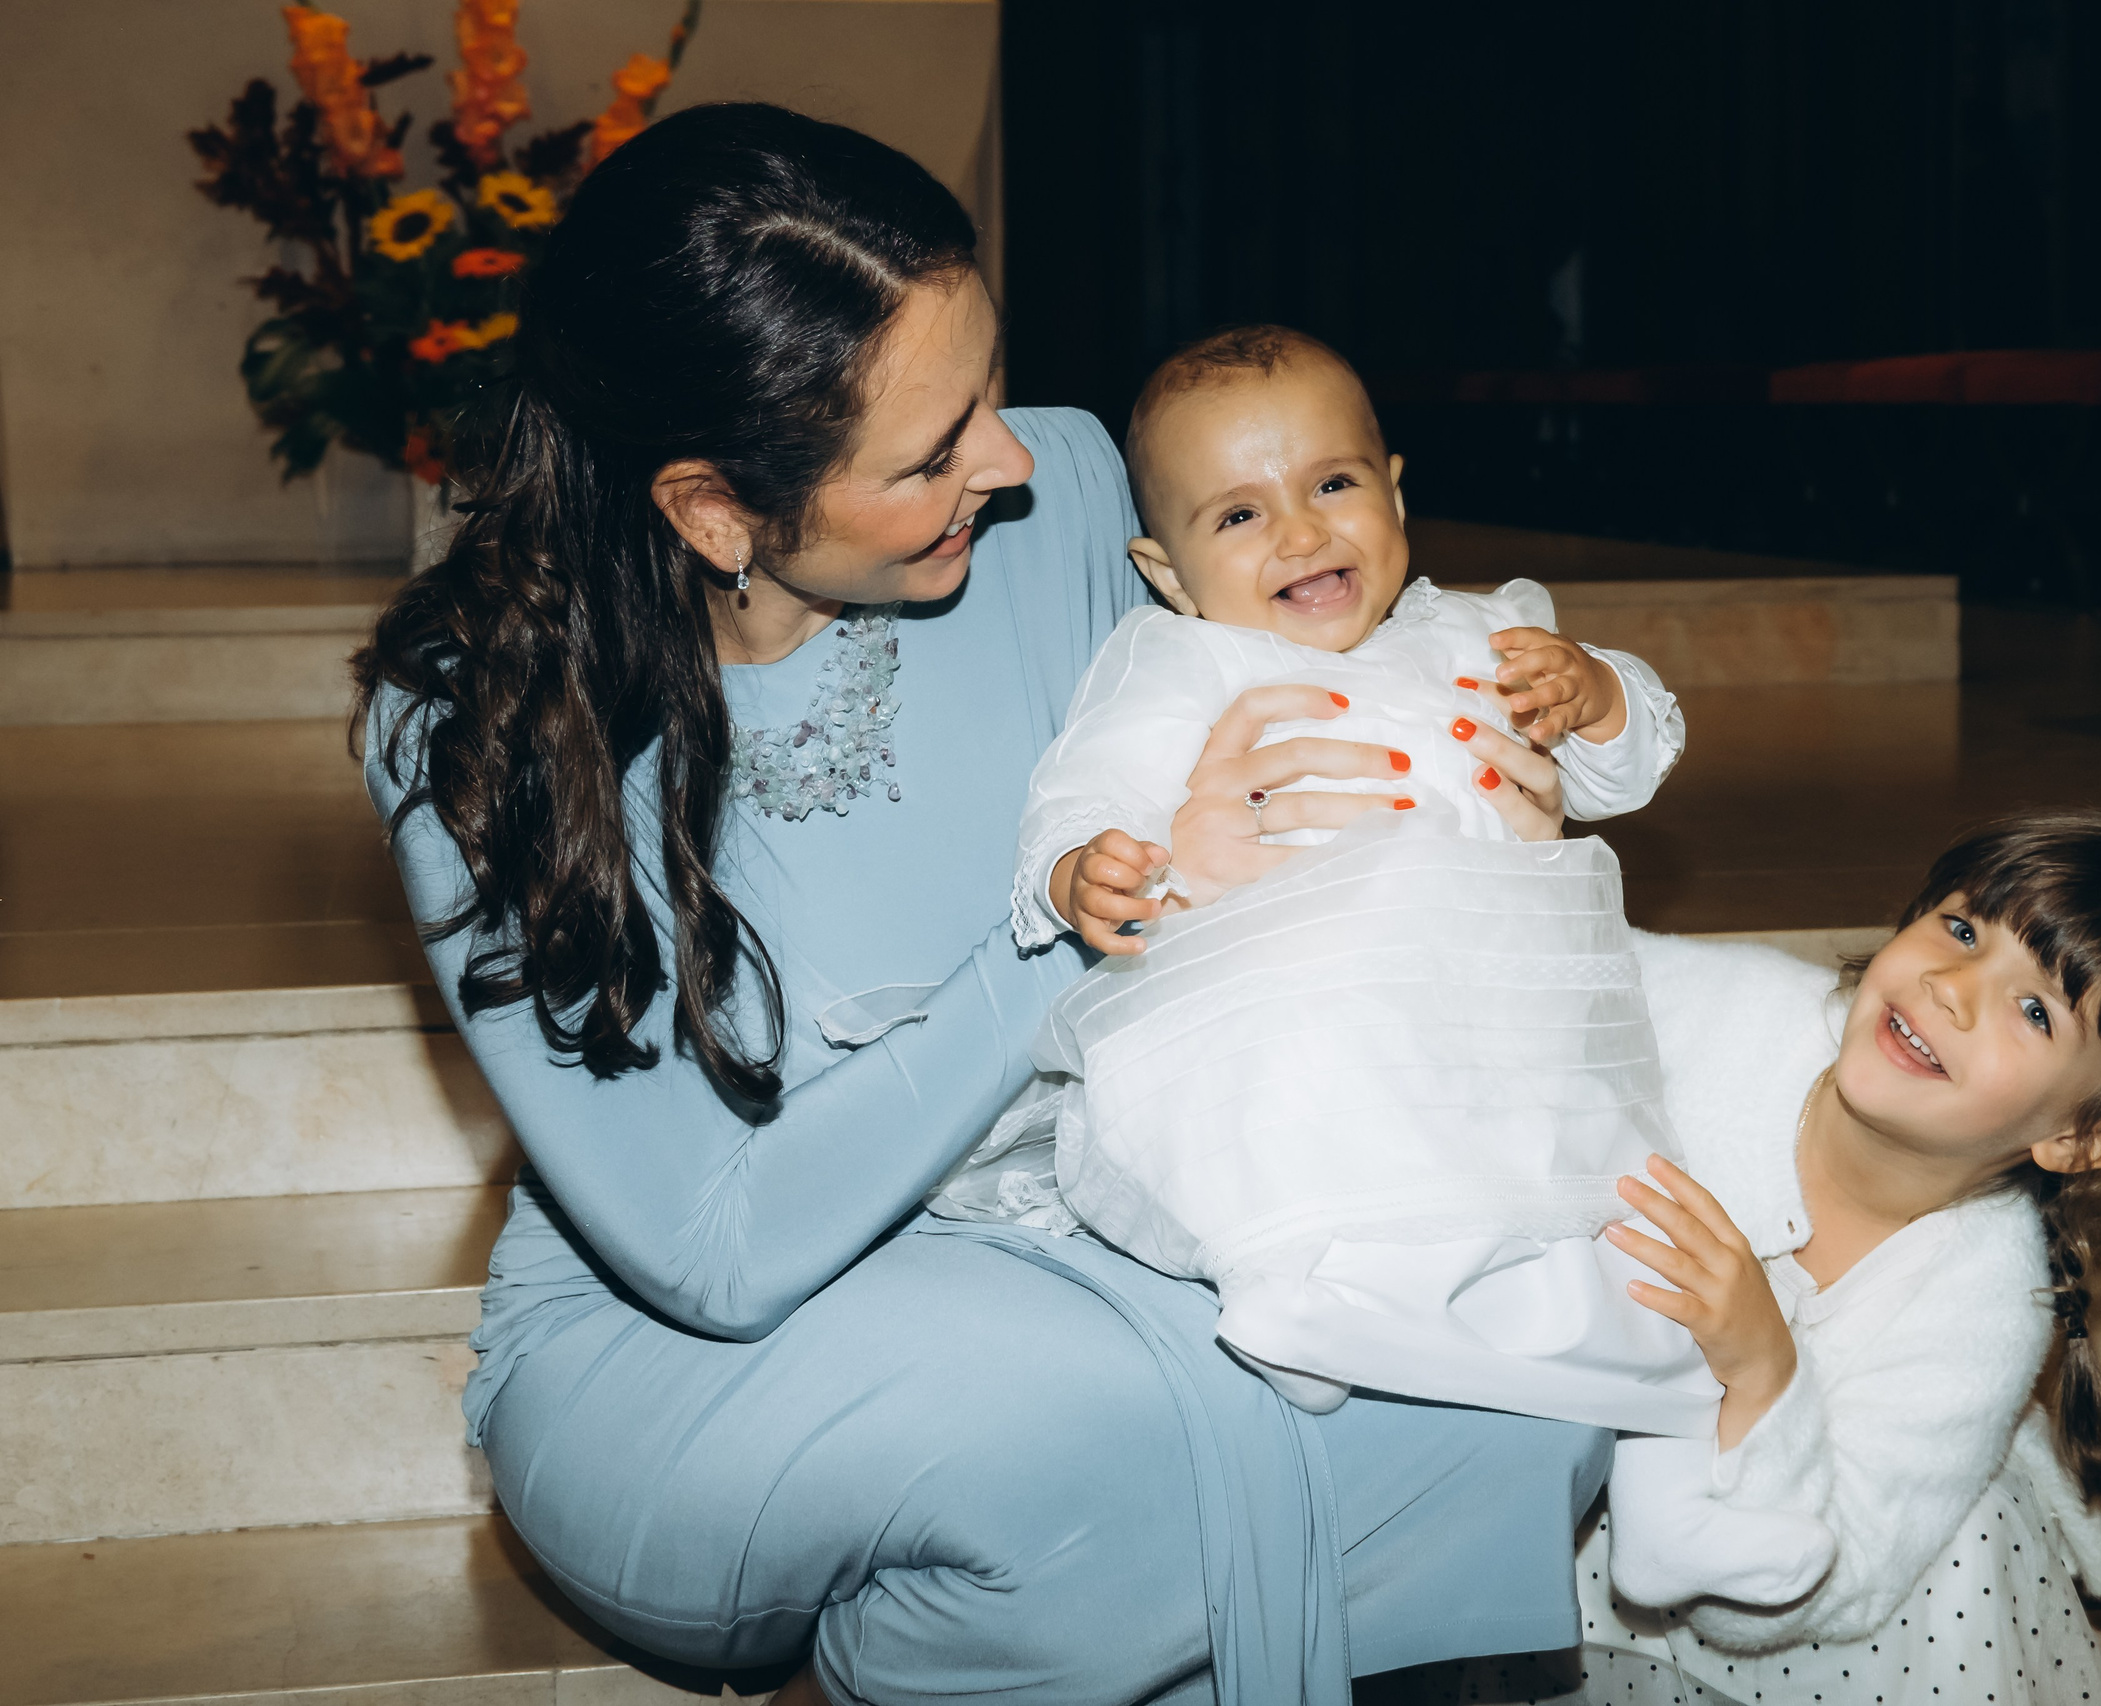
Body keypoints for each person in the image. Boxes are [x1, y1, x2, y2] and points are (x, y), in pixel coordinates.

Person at [355, 103, 1605, 1706]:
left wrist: (1491, 812)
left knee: (1529, 1402)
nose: (1009, 458)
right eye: (932, 451)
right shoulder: (480, 720)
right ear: (715, 509)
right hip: (695, 1349)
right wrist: (1068, 944)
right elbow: (714, 1251)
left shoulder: (1075, 488)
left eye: (990, 388)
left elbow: (1345, 703)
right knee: (1114, 1444)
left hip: (1120, 1201)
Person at [976, 325, 1719, 1445]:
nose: (1301, 529)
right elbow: (1088, 785)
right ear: (1169, 572)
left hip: (1492, 1009)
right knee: (1302, 1129)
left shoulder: (1481, 630)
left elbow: (1628, 766)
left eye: (1331, 482)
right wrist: (1087, 866)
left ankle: (1583, 1333)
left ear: (1396, 494)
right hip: (1300, 1003)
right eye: (1239, 514)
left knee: (1555, 1168)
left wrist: (1597, 696)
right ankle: (1314, 1295)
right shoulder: (1185, 660)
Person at [1565, 811, 2101, 1705]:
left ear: (2076, 1136)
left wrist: (1761, 1375)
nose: (1953, 987)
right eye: (1961, 929)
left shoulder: (1976, 1303)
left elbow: (1813, 1594)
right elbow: (1536, 968)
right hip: (1547, 1478)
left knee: (1960, 1532)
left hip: (1802, 1642)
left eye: (2035, 1011)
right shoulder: (1732, 1010)